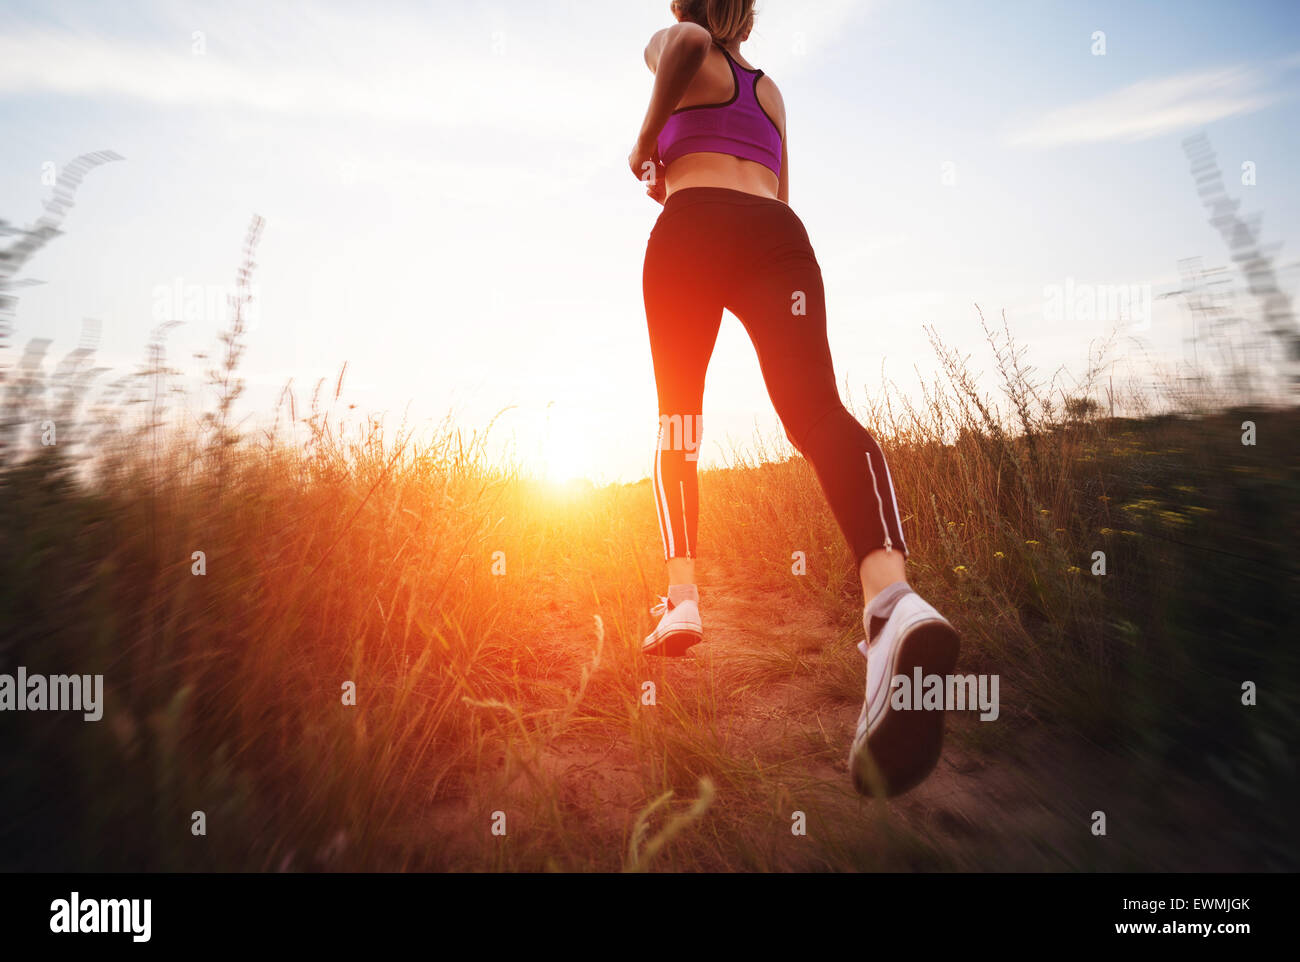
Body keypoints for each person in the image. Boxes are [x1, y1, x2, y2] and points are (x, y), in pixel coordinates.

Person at [628, 0, 960, 796]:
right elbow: (778, 188)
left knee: (679, 422)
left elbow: (681, 44)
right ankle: (893, 603)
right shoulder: (770, 91)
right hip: (778, 237)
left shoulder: (680, 42)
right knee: (819, 415)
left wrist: (646, 145)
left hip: (692, 228)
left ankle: (682, 601)